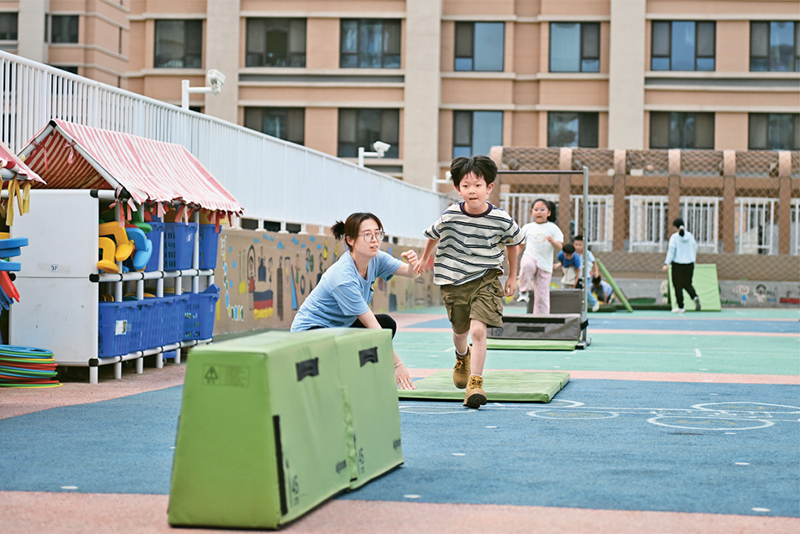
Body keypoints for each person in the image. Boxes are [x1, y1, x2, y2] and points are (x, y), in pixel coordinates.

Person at [414, 155, 522, 409]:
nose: (472, 190)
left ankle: (475, 383)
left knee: (478, 331)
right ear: (457, 189)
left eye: (477, 185)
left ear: (489, 188)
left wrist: (512, 276)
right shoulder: (451, 215)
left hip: (486, 277)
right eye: (466, 185)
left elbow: (513, 243)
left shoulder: (501, 219)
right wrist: (424, 258)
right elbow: (434, 235)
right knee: (460, 332)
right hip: (453, 279)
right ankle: (462, 356)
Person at [291, 212, 418, 389]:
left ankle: (359, 378)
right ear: (350, 240)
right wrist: (397, 365)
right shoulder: (343, 277)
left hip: (339, 328)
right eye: (367, 235)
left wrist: (413, 264)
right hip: (310, 333)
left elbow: (411, 273)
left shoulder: (376, 259)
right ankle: (337, 379)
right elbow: (372, 326)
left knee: (387, 324)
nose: (374, 239)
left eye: (377, 233)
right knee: (376, 330)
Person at [517, 199, 564, 315]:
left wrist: (553, 242)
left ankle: (541, 317)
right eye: (536, 209)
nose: (539, 212)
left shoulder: (553, 228)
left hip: (545, 265)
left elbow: (560, 247)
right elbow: (520, 245)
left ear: (549, 213)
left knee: (542, 295)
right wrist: (512, 257)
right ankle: (524, 291)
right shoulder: (527, 227)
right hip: (530, 258)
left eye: (542, 210)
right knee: (527, 265)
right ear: (531, 212)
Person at [662, 217, 700, 313]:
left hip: (678, 265)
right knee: (687, 284)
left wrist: (666, 263)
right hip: (689, 264)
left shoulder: (674, 238)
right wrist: (693, 262)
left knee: (677, 285)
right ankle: (694, 297)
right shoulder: (690, 236)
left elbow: (671, 252)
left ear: (675, 227)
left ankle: (681, 307)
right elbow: (694, 249)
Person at [574, 235, 601, 312]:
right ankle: (579, 306)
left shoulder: (587, 253)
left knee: (585, 290)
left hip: (586, 276)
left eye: (580, 245)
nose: (578, 247)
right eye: (576, 245)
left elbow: (594, 262)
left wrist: (596, 271)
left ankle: (594, 302)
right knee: (578, 291)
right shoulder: (573, 254)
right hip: (577, 276)